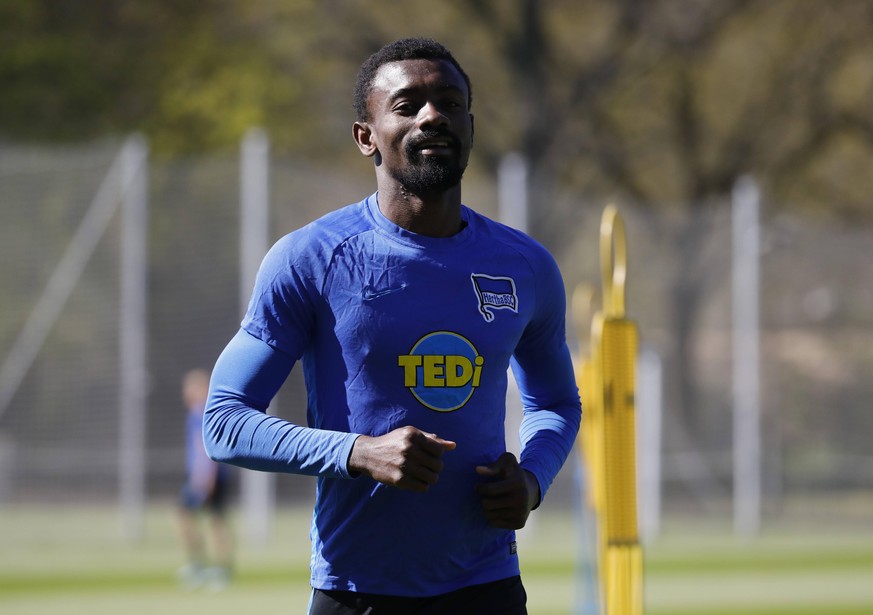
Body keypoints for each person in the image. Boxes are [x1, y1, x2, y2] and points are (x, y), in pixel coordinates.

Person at [204, 37, 581, 614]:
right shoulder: (311, 258)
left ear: (471, 129)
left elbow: (556, 402)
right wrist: (359, 452)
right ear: (366, 137)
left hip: (488, 588)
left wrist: (531, 480)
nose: (433, 115)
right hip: (356, 593)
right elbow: (224, 423)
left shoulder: (525, 266)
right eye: (407, 105)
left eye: (450, 103)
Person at [177, 368, 234, 590]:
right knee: (201, 519)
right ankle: (204, 566)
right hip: (201, 478)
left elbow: (205, 448)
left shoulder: (203, 412)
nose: (187, 391)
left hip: (207, 479)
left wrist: (205, 478)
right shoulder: (195, 412)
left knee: (213, 522)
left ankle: (216, 569)